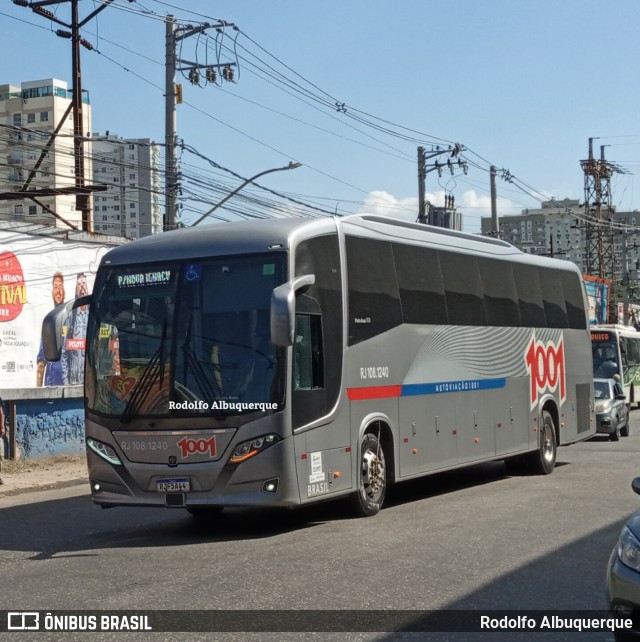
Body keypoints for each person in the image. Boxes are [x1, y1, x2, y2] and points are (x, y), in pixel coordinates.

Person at [36, 272, 65, 386]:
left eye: (60, 287)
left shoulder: (72, 320)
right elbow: (41, 363)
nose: (58, 291)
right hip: (51, 385)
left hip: (71, 386)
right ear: (52, 293)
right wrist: (37, 393)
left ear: (64, 292)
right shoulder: (48, 322)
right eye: (55, 287)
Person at [62, 273, 89, 385]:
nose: (82, 286)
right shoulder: (70, 317)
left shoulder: (93, 315)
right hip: (74, 382)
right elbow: (64, 353)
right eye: (79, 284)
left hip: (89, 383)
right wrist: (65, 382)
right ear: (76, 290)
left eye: (84, 283)